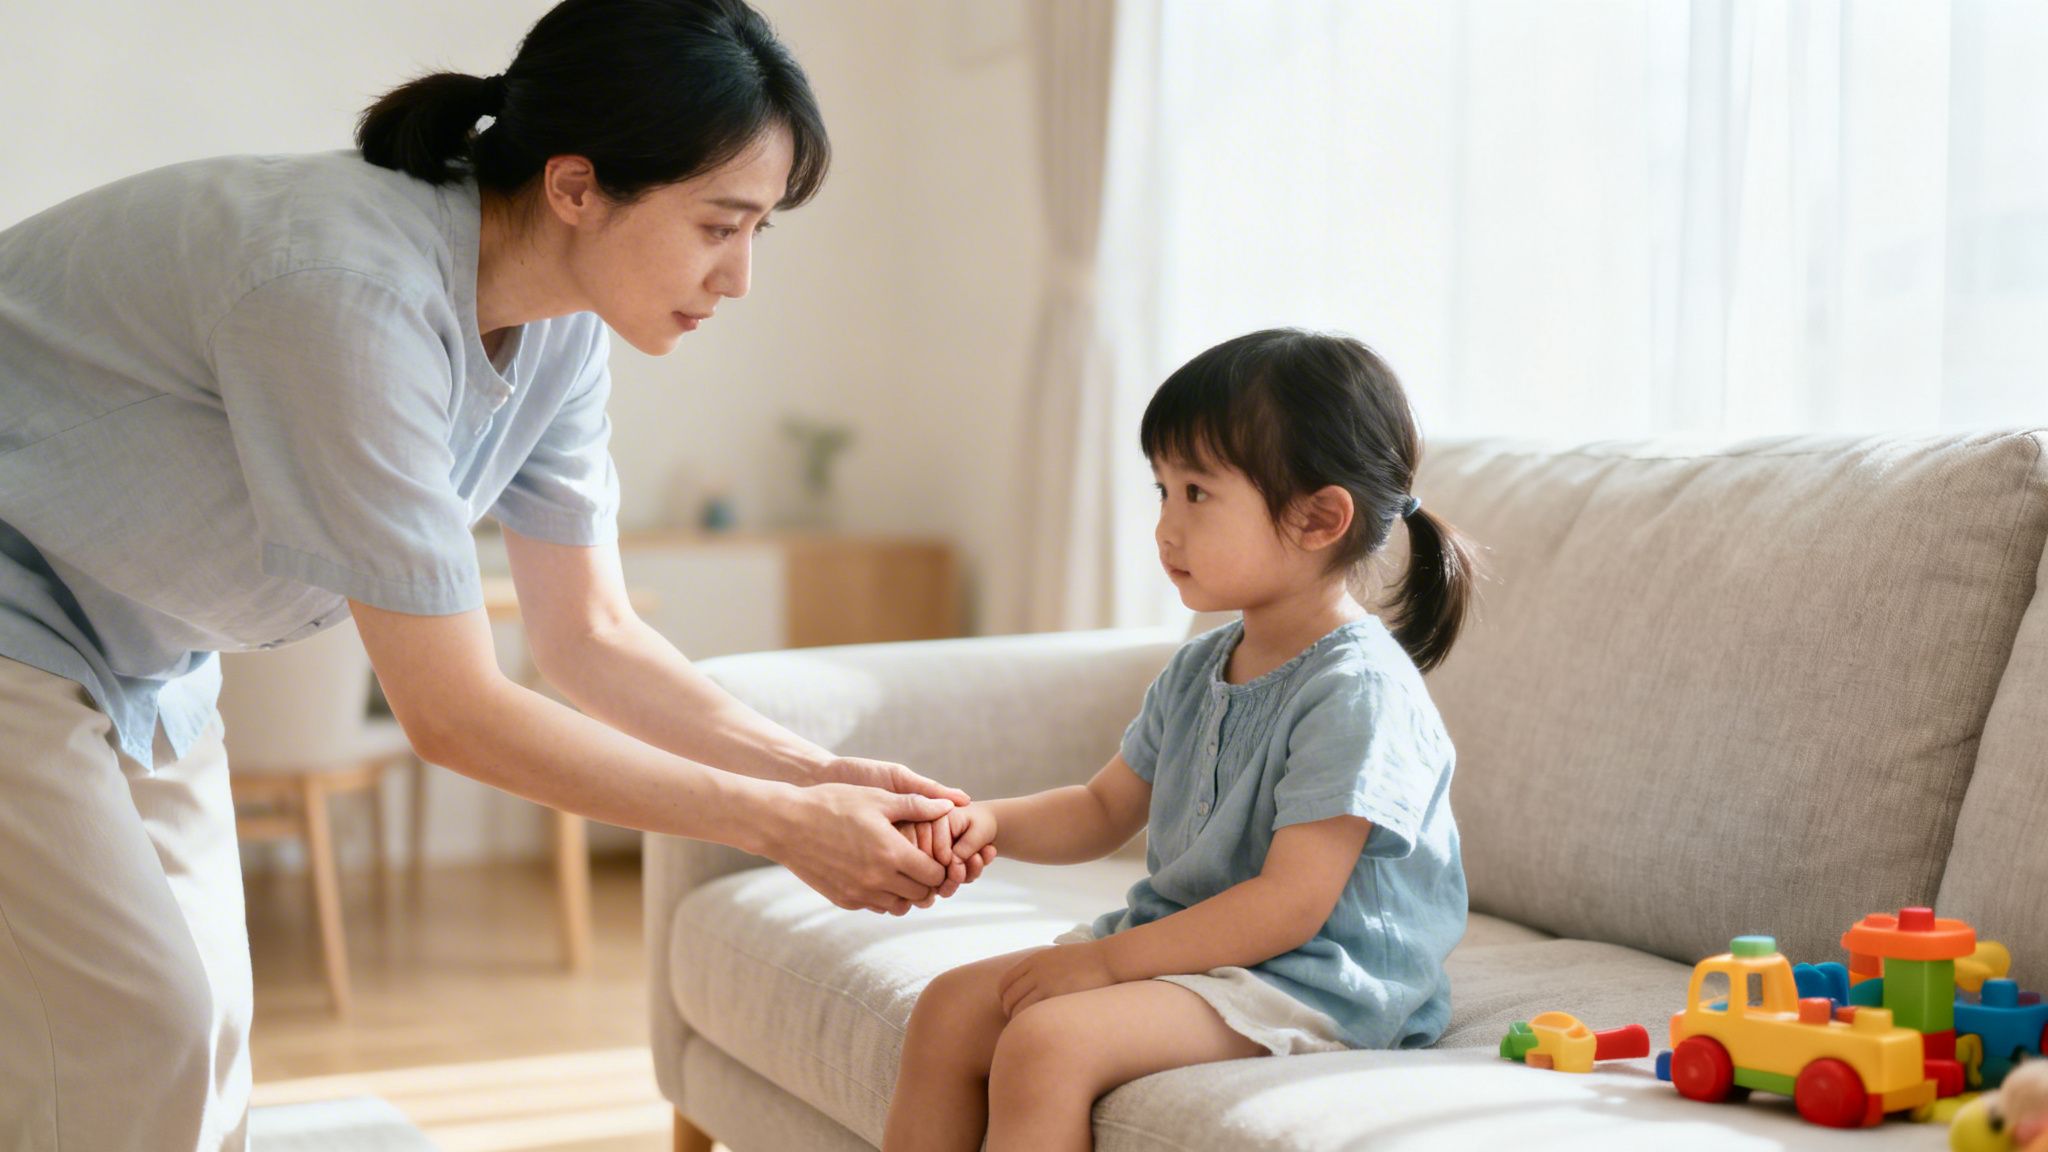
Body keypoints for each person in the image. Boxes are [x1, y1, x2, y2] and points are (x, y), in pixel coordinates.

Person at [0, 1, 983, 1147]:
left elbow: (591, 635)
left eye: (761, 230)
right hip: (21, 614)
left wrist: (816, 777)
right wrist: (780, 825)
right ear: (574, 187)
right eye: (721, 225)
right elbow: (456, 713)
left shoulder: (561, 328)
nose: (740, 278)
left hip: (146, 646)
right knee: (135, 1033)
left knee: (205, 1025)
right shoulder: (346, 293)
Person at [880, 329, 1479, 1152]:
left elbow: (1289, 905)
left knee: (1048, 1042)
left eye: (1196, 494)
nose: (1165, 528)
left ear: (1318, 517)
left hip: (1316, 978)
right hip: (1197, 947)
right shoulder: (1203, 665)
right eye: (1162, 489)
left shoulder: (1357, 692)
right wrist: (989, 822)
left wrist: (1103, 966)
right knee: (951, 1009)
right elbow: (1100, 808)